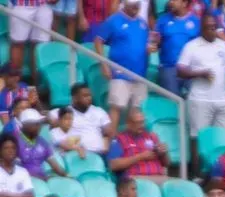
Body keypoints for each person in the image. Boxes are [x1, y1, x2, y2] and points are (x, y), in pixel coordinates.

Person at [178, 13, 225, 174]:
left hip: (223, 99)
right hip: (200, 99)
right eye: (208, 28)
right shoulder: (191, 46)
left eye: (214, 27)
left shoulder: (223, 45)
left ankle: (221, 172)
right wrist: (200, 74)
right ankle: (197, 174)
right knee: (197, 137)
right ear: (202, 29)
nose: (212, 31)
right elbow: (180, 70)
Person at [94, 0, 154, 129]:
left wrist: (149, 49)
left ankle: (131, 145)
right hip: (119, 73)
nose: (135, 9)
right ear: (125, 5)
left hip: (139, 74)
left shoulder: (143, 23)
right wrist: (104, 64)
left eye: (137, 6)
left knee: (137, 112)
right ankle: (111, 143)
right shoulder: (113, 20)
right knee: (116, 108)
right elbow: (98, 41)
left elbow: (146, 46)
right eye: (132, 6)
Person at [107, 108, 171, 185]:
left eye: (143, 122)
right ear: (129, 124)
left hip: (159, 176)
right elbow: (113, 165)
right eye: (138, 123)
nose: (142, 125)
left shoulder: (152, 137)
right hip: (136, 179)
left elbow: (166, 163)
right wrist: (140, 157)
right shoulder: (119, 139)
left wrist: (164, 153)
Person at [155, 0, 200, 95]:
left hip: (190, 69)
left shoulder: (196, 22)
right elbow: (155, 43)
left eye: (175, 0)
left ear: (184, 3)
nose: (171, 2)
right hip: (169, 68)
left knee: (197, 96)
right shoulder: (162, 21)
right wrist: (156, 42)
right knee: (173, 102)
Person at [60, 83, 112, 156]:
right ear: (75, 98)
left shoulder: (99, 111)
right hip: (75, 154)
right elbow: (50, 118)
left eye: (89, 95)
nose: (89, 98)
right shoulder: (65, 112)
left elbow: (108, 132)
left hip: (99, 154)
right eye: (85, 96)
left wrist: (105, 147)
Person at [15, 109, 65, 180]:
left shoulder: (42, 142)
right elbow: (17, 171)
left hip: (42, 182)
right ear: (25, 125)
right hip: (24, 183)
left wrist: (67, 176)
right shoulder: (15, 142)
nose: (39, 126)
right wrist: (43, 178)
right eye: (36, 124)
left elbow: (55, 166)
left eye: (40, 123)